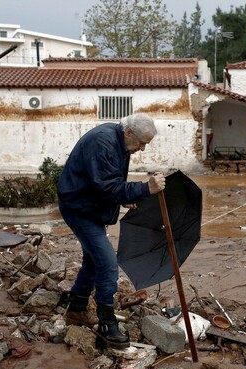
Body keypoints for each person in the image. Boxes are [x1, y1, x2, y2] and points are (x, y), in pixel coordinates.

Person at [57, 113, 166, 350]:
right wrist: (145, 188)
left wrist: (126, 196)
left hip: (89, 204)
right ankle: (107, 323)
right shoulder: (103, 142)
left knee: (94, 260)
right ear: (128, 133)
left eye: (146, 144)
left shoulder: (117, 141)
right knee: (107, 263)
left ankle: (76, 308)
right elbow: (108, 187)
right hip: (79, 207)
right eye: (141, 143)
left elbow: (107, 183)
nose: (142, 149)